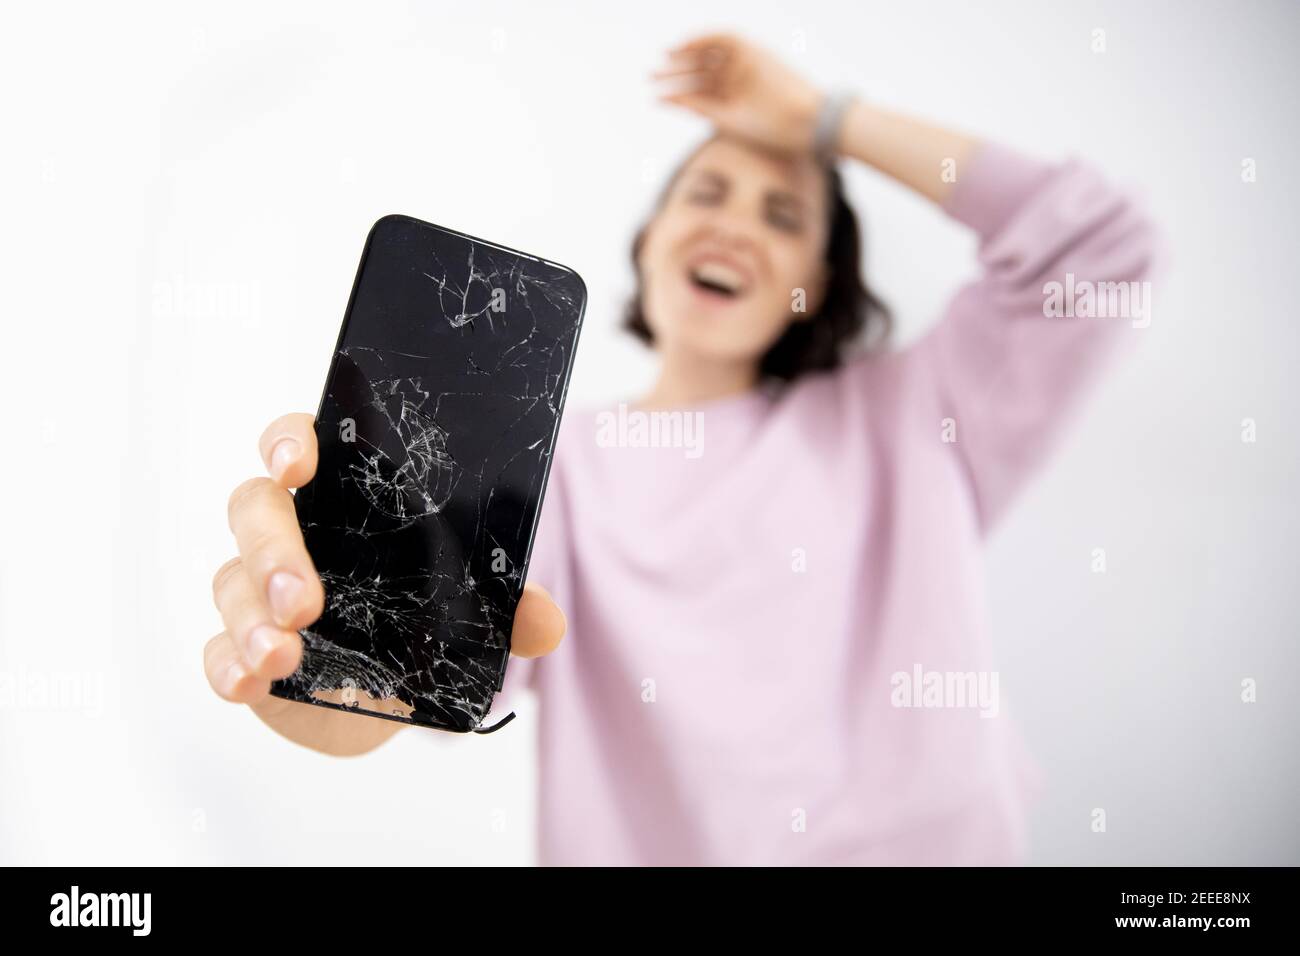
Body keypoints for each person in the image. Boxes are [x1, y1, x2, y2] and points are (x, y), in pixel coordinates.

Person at [204, 34, 1158, 865]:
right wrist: (306, 671)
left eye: (783, 216)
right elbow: (406, 686)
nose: (736, 226)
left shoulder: (918, 409)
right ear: (652, 242)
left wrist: (824, 119)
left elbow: (1103, 250)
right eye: (708, 193)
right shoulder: (556, 473)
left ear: (818, 284)